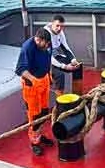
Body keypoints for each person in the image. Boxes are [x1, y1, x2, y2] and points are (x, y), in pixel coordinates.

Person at [17, 24, 55, 156]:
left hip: (44, 79)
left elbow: (49, 59)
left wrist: (49, 75)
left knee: (44, 112)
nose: (46, 47)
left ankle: (39, 135)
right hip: (31, 85)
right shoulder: (28, 48)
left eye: (48, 45)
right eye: (44, 44)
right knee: (35, 115)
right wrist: (34, 80)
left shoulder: (47, 45)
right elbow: (21, 70)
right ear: (38, 40)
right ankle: (34, 142)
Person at [48, 15, 82, 96]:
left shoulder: (60, 32)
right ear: (52, 24)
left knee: (77, 67)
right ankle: (60, 102)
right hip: (45, 61)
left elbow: (65, 47)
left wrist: (73, 60)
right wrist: (64, 66)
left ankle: (78, 95)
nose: (59, 28)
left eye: (62, 26)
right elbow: (48, 56)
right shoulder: (46, 34)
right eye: (57, 25)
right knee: (60, 75)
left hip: (55, 57)